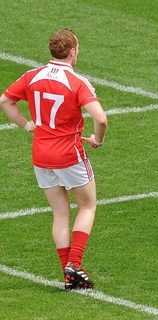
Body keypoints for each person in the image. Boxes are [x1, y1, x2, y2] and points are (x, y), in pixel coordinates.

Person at [0, 28, 108, 290]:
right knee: (87, 206)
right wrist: (98, 138)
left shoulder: (32, 76)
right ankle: (75, 264)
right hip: (69, 154)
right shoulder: (77, 82)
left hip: (41, 154)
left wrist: (27, 126)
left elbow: (5, 101)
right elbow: (101, 118)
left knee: (60, 214)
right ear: (71, 52)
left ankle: (68, 275)